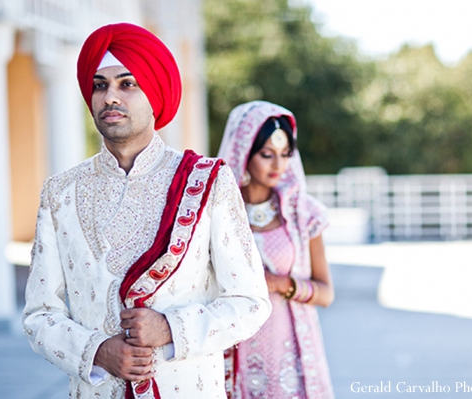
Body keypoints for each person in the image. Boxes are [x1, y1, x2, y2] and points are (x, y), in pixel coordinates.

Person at [22, 23, 271, 399]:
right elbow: (39, 315)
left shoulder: (208, 181)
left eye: (128, 84)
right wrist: (97, 351)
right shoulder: (61, 193)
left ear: (155, 93)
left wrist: (171, 328)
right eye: (99, 85)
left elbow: (251, 303)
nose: (110, 97)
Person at [218, 101, 335, 398]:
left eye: (285, 155)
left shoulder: (303, 215)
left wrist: (281, 284)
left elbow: (326, 293)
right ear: (244, 153)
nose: (278, 166)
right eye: (267, 155)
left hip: (291, 354)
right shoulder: (216, 214)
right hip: (233, 350)